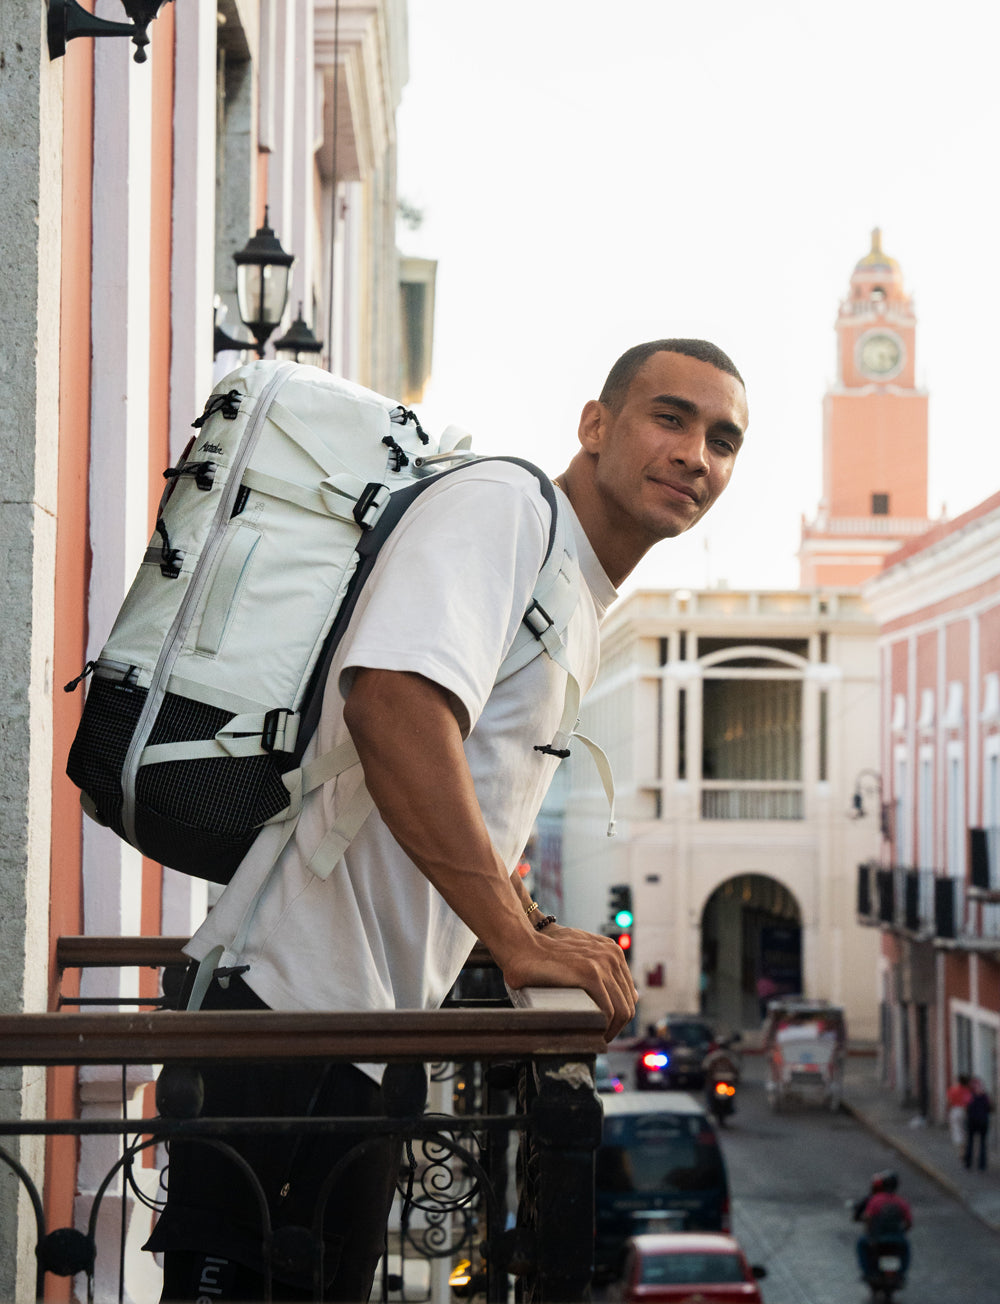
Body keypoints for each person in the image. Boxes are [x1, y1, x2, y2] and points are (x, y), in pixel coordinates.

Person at [147, 339, 749, 1301]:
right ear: (596, 426)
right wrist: (514, 942)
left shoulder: (574, 588)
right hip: (284, 1023)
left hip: (362, 1034)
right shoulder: (508, 510)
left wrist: (529, 919)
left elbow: (470, 781)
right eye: (670, 418)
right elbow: (392, 704)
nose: (697, 455)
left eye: (723, 440)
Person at [853, 1170, 912, 1278]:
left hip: (878, 1237)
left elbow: (867, 1217)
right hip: (896, 1237)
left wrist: (870, 1232)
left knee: (861, 1245)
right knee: (906, 1249)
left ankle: (867, 1272)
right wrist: (902, 1233)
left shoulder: (876, 1200)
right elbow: (909, 1222)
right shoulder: (901, 1202)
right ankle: (902, 1273)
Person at [964, 1077, 992, 1171]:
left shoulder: (971, 1096)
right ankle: (974, 1163)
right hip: (978, 1121)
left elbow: (967, 1107)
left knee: (977, 1143)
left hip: (978, 1122)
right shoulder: (984, 1097)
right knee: (975, 1143)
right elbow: (989, 1108)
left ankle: (976, 1163)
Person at [946, 1072, 972, 1150]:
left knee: (956, 1128)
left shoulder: (953, 1090)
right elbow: (969, 1101)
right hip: (964, 1110)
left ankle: (960, 1147)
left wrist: (948, 1110)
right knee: (963, 1128)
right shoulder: (967, 1090)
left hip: (955, 1110)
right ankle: (964, 1143)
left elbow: (949, 1101)